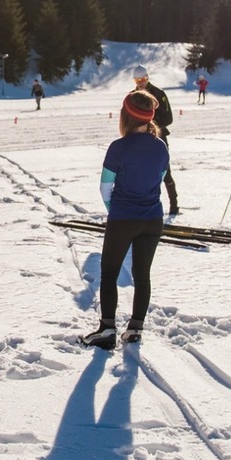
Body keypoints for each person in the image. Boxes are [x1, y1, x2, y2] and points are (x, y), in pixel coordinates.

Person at [81, 90, 170, 350]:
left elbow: (105, 188)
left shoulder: (118, 147)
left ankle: (107, 329)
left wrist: (116, 208)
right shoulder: (161, 146)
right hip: (152, 218)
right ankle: (135, 328)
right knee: (142, 275)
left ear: (126, 117)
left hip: (123, 218)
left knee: (109, 273)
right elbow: (160, 177)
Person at [132, 65, 179, 215]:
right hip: (139, 140)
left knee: (165, 172)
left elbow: (168, 118)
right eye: (138, 80)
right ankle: (143, 204)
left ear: (147, 78)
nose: (141, 83)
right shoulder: (132, 96)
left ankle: (174, 204)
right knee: (141, 173)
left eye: (143, 79)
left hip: (158, 138)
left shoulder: (159, 94)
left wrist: (151, 126)